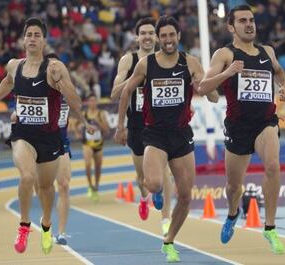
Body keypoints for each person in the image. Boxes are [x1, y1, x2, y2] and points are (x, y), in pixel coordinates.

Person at [0, 17, 92, 254]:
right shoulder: (14, 65)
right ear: (23, 40)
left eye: (36, 35)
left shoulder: (54, 67)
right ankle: (23, 226)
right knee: (27, 177)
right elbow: (7, 82)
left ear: (44, 41)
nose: (32, 39)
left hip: (49, 138)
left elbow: (75, 101)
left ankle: (46, 224)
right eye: (28, 34)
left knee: (46, 187)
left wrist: (61, 81)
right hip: (23, 134)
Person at [115, 16, 218, 262]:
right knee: (152, 183)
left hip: (181, 134)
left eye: (172, 35)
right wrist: (120, 126)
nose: (168, 40)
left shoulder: (190, 62)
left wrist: (202, 84)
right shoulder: (146, 64)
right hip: (155, 134)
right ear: (159, 39)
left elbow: (212, 96)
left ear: (178, 37)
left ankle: (169, 240)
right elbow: (126, 92)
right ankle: (157, 191)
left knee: (185, 195)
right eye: (164, 36)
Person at [198, 5, 285, 254]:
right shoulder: (224, 54)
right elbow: (203, 87)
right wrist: (228, 72)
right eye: (242, 21)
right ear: (231, 27)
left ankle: (270, 227)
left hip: (265, 122)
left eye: (251, 20)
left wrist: (284, 88)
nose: (249, 24)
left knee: (272, 165)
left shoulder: (267, 51)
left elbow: (280, 72)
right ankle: (232, 213)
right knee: (233, 187)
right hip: (238, 127)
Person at [111, 17, 172, 236]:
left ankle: (166, 219)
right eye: (143, 33)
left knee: (164, 171)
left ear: (156, 37)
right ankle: (145, 196)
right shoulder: (128, 60)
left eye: (150, 33)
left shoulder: (165, 59)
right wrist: (134, 81)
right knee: (142, 177)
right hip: (136, 126)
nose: (147, 37)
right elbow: (115, 93)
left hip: (159, 125)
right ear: (137, 37)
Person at [82, 93, 110, 202]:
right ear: (88, 102)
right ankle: (90, 186)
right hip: (87, 143)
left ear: (96, 102)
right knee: (88, 164)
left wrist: (99, 123)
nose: (92, 103)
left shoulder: (101, 114)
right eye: (90, 101)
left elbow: (107, 130)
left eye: (94, 100)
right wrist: (77, 132)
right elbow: (75, 125)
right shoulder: (84, 114)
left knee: (98, 167)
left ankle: (96, 186)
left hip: (99, 144)